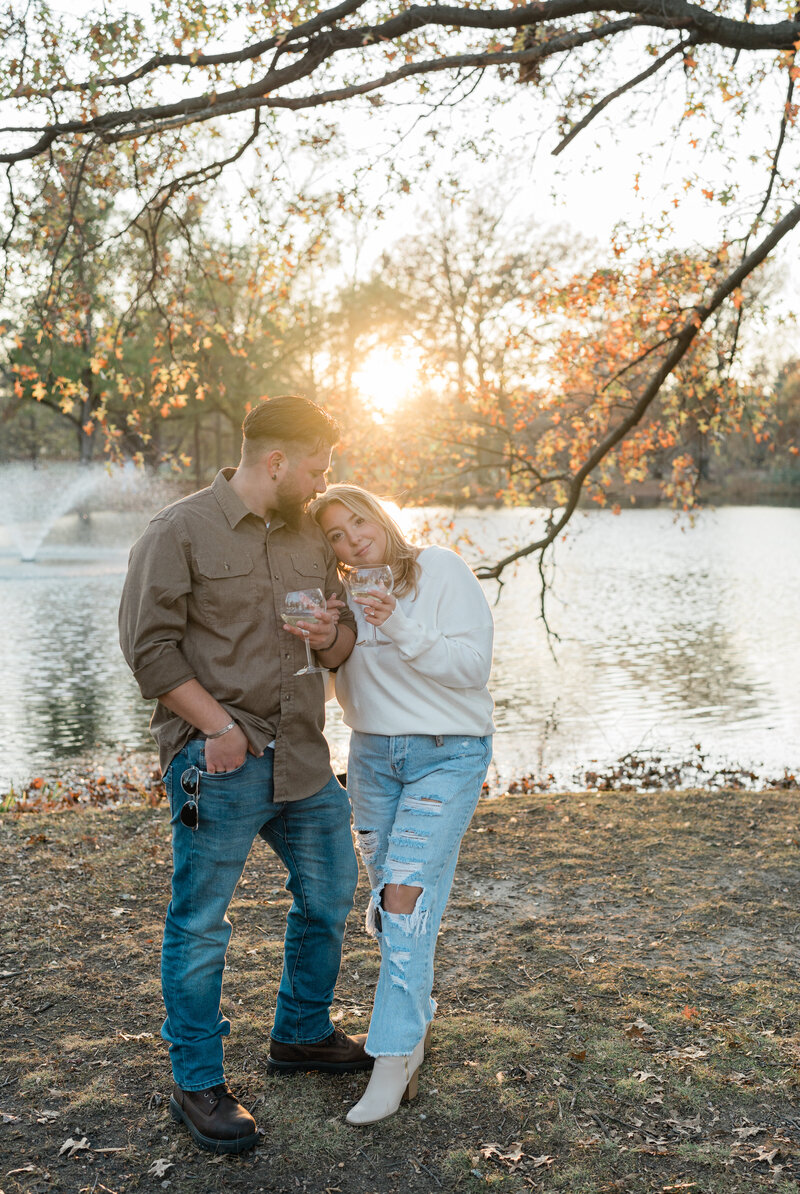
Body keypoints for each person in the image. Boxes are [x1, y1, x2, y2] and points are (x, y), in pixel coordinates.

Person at [119, 396, 371, 1156]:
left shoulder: (308, 536)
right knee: (200, 925)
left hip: (303, 760)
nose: (324, 482)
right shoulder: (179, 531)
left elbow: (340, 636)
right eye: (318, 467)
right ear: (277, 462)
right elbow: (149, 649)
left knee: (330, 892)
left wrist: (334, 634)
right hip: (219, 764)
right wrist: (217, 728)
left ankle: (300, 1032)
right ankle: (196, 1081)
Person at [310, 483, 494, 1124]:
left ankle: (390, 1060)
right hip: (371, 761)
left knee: (403, 897)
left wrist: (399, 622)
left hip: (447, 752)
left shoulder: (440, 569)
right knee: (396, 906)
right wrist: (325, 641)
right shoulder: (345, 596)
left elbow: (472, 668)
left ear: (381, 517)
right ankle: (415, 1026)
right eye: (335, 534)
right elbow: (344, 689)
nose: (352, 538)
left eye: (358, 522)